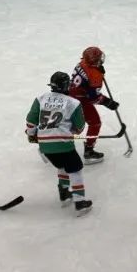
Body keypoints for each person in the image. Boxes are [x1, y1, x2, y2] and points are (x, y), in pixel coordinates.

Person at [26, 71, 92, 216]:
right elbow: (80, 127)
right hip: (64, 144)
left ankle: (64, 194)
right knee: (75, 169)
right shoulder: (73, 102)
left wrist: (32, 135)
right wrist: (71, 131)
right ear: (66, 85)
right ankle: (80, 202)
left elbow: (31, 122)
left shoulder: (40, 98)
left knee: (62, 166)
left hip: (45, 147)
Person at [68, 46, 119, 164]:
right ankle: (89, 152)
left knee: (69, 123)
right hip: (80, 100)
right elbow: (94, 98)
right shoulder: (94, 74)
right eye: (98, 58)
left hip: (70, 95)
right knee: (95, 123)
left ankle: (49, 144)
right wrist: (108, 102)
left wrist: (98, 69)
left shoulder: (82, 62)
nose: (101, 59)